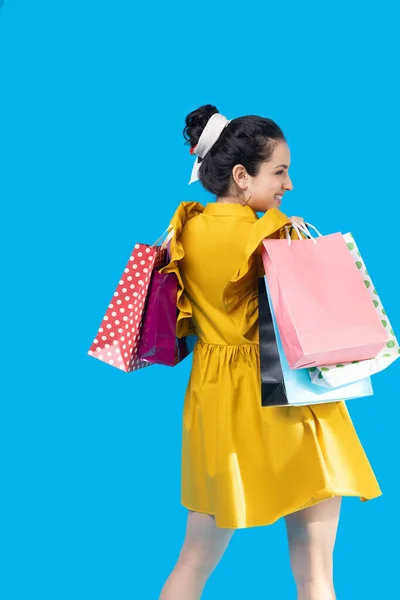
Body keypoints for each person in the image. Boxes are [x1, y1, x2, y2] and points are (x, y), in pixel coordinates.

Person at [158, 105, 382, 600]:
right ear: (242, 176)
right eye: (279, 171)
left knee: (193, 561)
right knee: (315, 571)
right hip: (286, 398)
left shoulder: (183, 232)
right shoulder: (274, 233)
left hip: (214, 404)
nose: (289, 184)